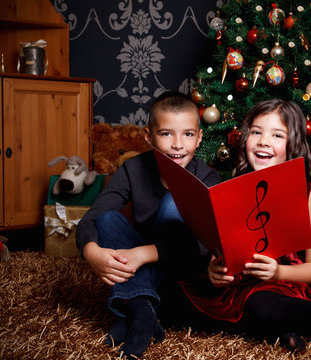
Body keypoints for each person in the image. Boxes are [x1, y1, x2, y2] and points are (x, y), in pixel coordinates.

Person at [160, 98, 311, 352]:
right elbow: (221, 249)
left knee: (261, 305)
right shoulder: (234, 189)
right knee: (169, 295)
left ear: (293, 146)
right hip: (240, 285)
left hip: (288, 286)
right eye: (256, 132)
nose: (263, 141)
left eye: (277, 135)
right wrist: (215, 271)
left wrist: (277, 273)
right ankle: (277, 331)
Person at [76, 91, 221, 359]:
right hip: (141, 269)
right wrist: (90, 251)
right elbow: (93, 217)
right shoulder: (133, 169)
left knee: (172, 202)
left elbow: (203, 248)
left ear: (199, 138)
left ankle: (131, 308)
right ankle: (141, 310)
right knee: (108, 219)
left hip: (180, 276)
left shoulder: (209, 179)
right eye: (166, 134)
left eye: (188, 134)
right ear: (148, 136)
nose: (178, 144)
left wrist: (143, 253)